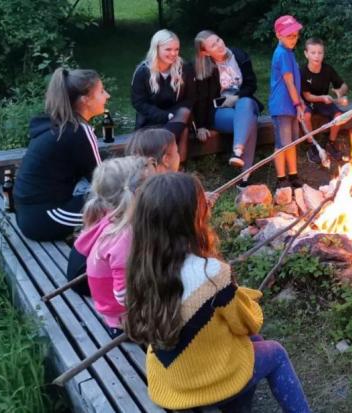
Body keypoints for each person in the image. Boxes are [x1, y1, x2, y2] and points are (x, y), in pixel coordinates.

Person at [124, 173, 311, 412]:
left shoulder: (141, 268)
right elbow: (248, 324)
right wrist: (246, 299)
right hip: (203, 383)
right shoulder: (212, 273)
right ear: (194, 218)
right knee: (275, 352)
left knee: (252, 345)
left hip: (170, 378)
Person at [14, 67, 107, 241]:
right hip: (47, 217)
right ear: (85, 100)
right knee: (120, 204)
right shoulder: (79, 131)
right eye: (101, 91)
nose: (107, 96)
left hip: (28, 216)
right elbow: (104, 179)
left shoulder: (57, 125)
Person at [73, 156, 154, 338]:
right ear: (138, 193)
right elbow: (123, 294)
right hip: (125, 320)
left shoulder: (111, 216)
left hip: (111, 309)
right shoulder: (124, 236)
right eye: (153, 186)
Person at [190, 30, 264, 188]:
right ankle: (245, 178)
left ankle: (237, 151)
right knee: (248, 121)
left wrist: (236, 98)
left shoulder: (239, 55)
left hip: (243, 102)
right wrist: (200, 125)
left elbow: (251, 85)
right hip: (220, 110)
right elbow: (200, 99)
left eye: (218, 40)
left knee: (246, 104)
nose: (219, 45)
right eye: (213, 45)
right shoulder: (203, 67)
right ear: (205, 52)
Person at [131, 29, 193, 163]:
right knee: (180, 128)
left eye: (176, 49)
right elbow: (138, 102)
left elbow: (189, 99)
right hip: (150, 120)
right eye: (168, 49)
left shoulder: (184, 68)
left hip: (177, 118)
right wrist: (164, 116)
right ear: (156, 49)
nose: (173, 53)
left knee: (184, 111)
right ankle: (164, 159)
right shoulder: (143, 71)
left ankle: (157, 156)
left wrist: (172, 116)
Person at [269, 15, 305, 189]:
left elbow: (295, 83)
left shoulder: (289, 52)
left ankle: (293, 175)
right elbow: (289, 82)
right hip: (282, 106)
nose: (293, 39)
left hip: (291, 104)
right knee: (282, 144)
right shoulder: (282, 54)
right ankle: (281, 179)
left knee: (291, 143)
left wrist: (299, 101)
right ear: (278, 35)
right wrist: (297, 105)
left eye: (295, 35)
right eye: (289, 35)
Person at [300, 37, 348, 162]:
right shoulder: (303, 72)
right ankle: (312, 145)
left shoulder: (328, 69)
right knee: (306, 116)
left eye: (320, 53)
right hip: (308, 102)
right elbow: (307, 96)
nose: (317, 56)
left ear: (323, 54)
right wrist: (322, 98)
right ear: (306, 54)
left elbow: (344, 85)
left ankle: (330, 143)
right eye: (313, 53)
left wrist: (340, 92)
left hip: (324, 102)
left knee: (338, 115)